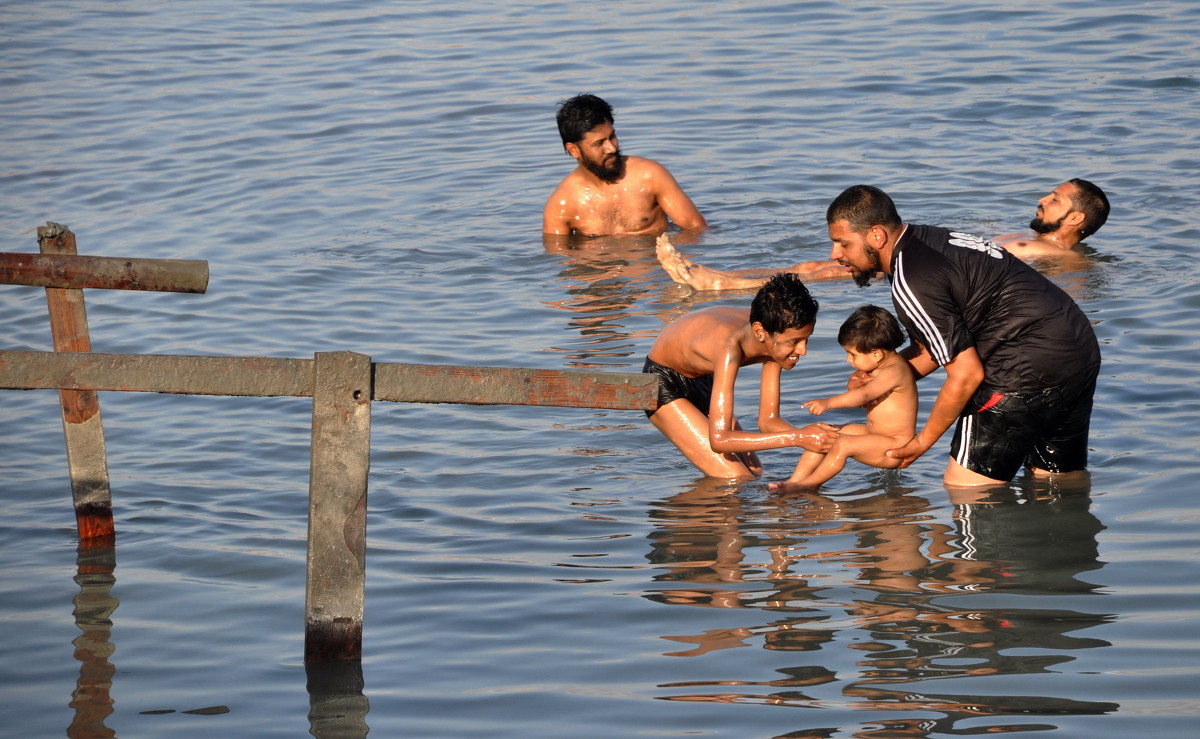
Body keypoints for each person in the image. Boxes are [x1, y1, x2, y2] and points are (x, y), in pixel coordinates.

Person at [825, 184, 1101, 487]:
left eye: (842, 243)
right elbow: (935, 347)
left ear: (876, 235)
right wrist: (879, 379)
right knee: (1057, 482)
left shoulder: (911, 278)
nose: (835, 253)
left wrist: (921, 442)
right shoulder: (932, 238)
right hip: (1079, 349)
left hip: (1021, 368)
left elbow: (966, 374)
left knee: (966, 489)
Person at [655, 179, 1109, 291]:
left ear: (1075, 221)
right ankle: (718, 278)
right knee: (818, 266)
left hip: (932, 270)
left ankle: (717, 281)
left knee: (818, 270)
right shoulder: (1030, 239)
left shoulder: (1065, 261)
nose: (1042, 201)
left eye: (1054, 200)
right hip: (931, 253)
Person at [643, 272, 837, 479]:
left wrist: (823, 439)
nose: (803, 350)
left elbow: (768, 421)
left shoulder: (775, 332)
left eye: (806, 339)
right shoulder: (731, 347)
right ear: (760, 332)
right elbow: (719, 440)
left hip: (702, 377)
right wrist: (799, 437)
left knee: (756, 473)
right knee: (737, 478)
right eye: (794, 342)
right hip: (660, 381)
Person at [769, 305, 917, 492]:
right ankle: (794, 480)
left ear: (877, 354)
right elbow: (859, 389)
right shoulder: (879, 365)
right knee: (825, 434)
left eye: (852, 354)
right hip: (875, 435)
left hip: (895, 446)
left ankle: (809, 484)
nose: (848, 360)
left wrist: (828, 402)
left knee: (843, 444)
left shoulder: (894, 371)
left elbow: (863, 395)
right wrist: (854, 381)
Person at [543, 94, 708, 236]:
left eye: (612, 136)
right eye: (599, 143)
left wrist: (673, 260)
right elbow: (559, 260)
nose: (612, 148)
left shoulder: (650, 175)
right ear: (573, 150)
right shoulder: (561, 205)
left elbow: (697, 231)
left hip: (653, 268)